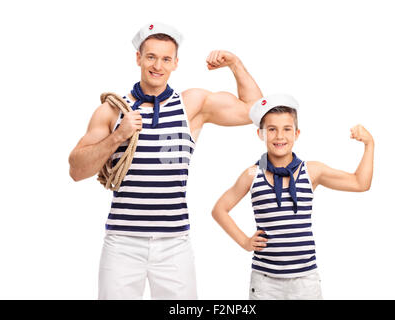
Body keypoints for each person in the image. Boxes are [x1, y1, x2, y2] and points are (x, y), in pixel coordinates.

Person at [68, 22, 262, 299]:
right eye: (151, 56)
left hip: (174, 244)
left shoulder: (191, 105)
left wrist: (236, 64)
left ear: (175, 63)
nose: (157, 65)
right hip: (122, 242)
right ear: (138, 58)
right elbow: (76, 170)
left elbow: (254, 111)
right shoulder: (112, 110)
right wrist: (117, 137)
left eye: (166, 58)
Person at [212, 94, 374, 299]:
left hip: (305, 281)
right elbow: (219, 209)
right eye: (272, 129)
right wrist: (244, 241)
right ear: (260, 134)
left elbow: (360, 183)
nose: (280, 136)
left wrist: (370, 145)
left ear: (297, 133)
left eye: (287, 129)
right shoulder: (252, 174)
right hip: (265, 281)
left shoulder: (311, 171)